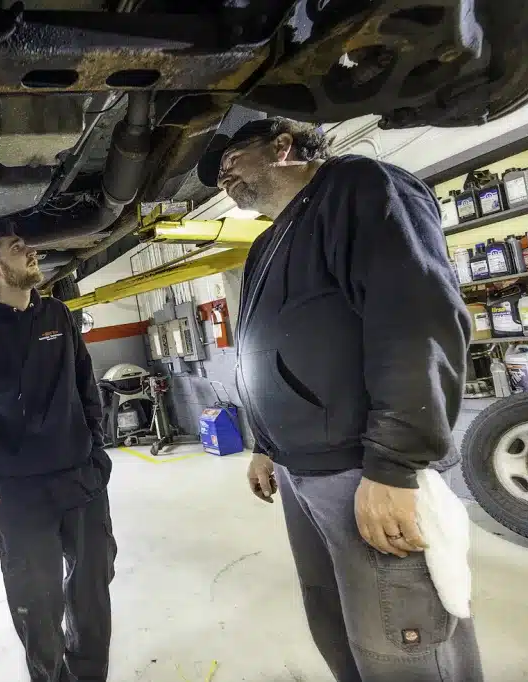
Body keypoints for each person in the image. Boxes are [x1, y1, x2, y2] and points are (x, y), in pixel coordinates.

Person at [196, 117, 482, 681]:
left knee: (403, 639)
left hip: (364, 469)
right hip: (301, 473)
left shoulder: (360, 187)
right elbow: (264, 351)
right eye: (219, 175)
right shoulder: (265, 245)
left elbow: (414, 318)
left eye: (232, 161)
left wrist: (395, 466)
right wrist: (265, 444)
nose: (224, 179)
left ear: (282, 146)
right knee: (338, 624)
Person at [0, 222, 117, 682]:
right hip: (21, 495)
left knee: (92, 596)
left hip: (81, 481)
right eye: (19, 249)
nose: (33, 252)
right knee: (37, 609)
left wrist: (97, 454)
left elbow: (86, 387)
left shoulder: (56, 315)